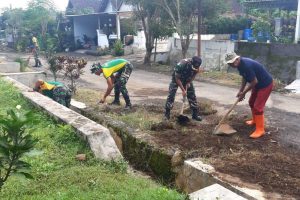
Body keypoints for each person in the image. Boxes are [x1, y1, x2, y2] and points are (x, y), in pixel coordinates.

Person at [225, 52, 273, 139]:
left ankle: (260, 129)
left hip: (265, 85)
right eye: (230, 63)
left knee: (258, 107)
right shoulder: (240, 65)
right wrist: (241, 91)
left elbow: (254, 81)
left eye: (233, 61)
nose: (232, 64)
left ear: (237, 58)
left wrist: (243, 93)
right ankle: (255, 121)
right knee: (251, 102)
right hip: (258, 85)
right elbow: (245, 77)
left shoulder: (246, 65)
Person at [165, 56, 203, 121]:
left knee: (192, 95)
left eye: (197, 67)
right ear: (191, 62)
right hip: (177, 78)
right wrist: (183, 90)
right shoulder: (182, 64)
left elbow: (194, 75)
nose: (195, 67)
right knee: (171, 94)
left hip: (187, 79)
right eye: (194, 66)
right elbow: (177, 78)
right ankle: (167, 114)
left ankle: (195, 115)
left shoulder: (197, 65)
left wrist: (189, 82)